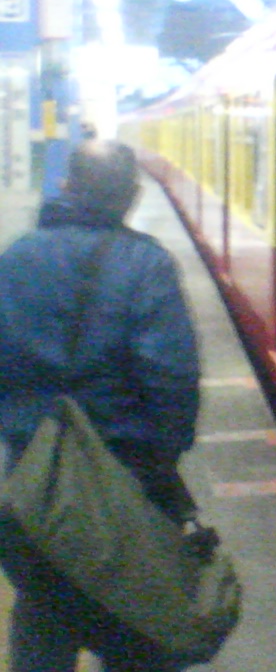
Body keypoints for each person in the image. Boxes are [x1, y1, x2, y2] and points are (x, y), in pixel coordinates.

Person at [0, 140, 201, 672]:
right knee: (135, 610)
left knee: (44, 607)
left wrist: (19, 427)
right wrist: (166, 454)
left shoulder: (16, 257)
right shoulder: (146, 263)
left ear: (66, 186)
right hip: (124, 468)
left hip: (35, 469)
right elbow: (170, 375)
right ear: (132, 196)